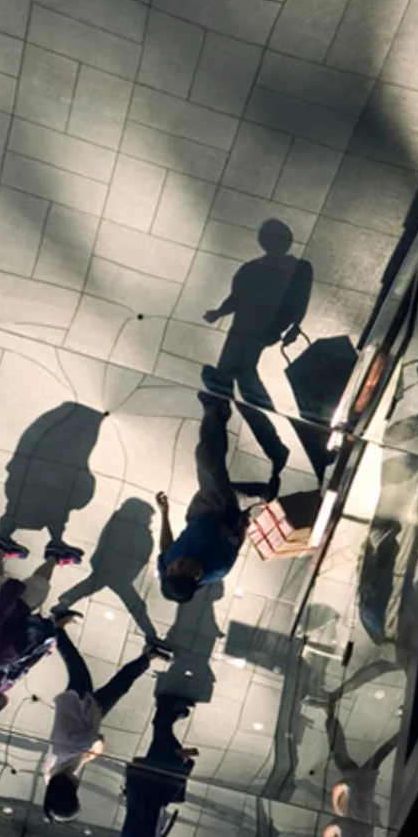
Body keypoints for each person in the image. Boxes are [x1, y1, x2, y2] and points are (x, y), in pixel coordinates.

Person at [200, 220, 313, 497]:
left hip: (259, 332)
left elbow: (299, 302)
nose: (275, 244)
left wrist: (293, 328)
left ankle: (269, 446)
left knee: (230, 384)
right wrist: (218, 312)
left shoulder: (298, 269)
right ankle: (273, 447)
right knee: (240, 383)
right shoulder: (251, 270)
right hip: (242, 331)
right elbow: (236, 298)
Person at [41, 623, 171, 822]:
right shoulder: (53, 777)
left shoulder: (67, 752)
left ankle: (56, 628)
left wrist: (94, 750)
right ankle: (147, 656)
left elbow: (97, 740)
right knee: (119, 685)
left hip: (80, 701)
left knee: (77, 666)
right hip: (88, 714)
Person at [0, 535, 79, 722]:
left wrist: (53, 629)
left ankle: (54, 556)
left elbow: (30, 640)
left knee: (38, 588)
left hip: (10, 613)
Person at [156, 394, 253, 605]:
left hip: (197, 513)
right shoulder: (218, 567)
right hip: (220, 511)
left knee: (215, 472)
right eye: (178, 568)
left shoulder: (168, 569)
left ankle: (258, 493)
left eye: (170, 568)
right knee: (208, 463)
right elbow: (236, 543)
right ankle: (215, 409)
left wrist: (164, 514)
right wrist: (243, 527)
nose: (174, 563)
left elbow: (165, 550)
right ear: (192, 576)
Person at [118, 697, 197, 837]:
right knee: (163, 748)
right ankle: (167, 714)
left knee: (171, 755)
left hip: (151, 788)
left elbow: (144, 814)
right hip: (150, 791)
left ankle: (165, 709)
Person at [320, 702, 399, 837]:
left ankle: (329, 712)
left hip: (353, 793)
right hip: (356, 791)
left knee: (344, 757)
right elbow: (335, 825)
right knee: (375, 755)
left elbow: (333, 831)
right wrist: (339, 793)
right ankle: (408, 725)